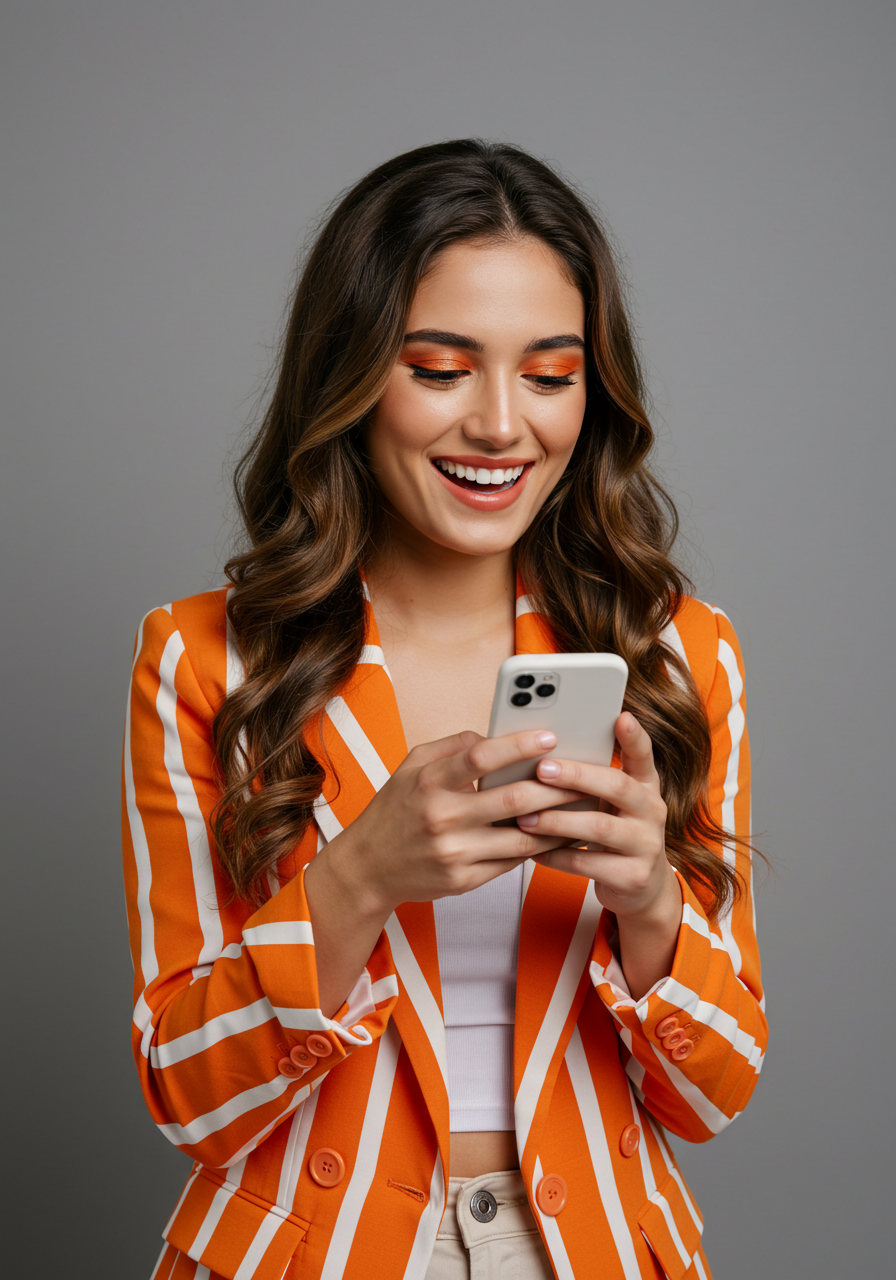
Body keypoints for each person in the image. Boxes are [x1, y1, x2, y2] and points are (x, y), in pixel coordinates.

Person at [122, 139, 766, 1280]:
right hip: (311, 1253)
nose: (500, 425)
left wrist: (648, 903)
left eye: (550, 373)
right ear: (351, 375)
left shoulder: (671, 653)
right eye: (439, 366)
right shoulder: (209, 657)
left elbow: (713, 1091)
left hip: (589, 1250)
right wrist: (358, 878)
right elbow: (185, 1091)